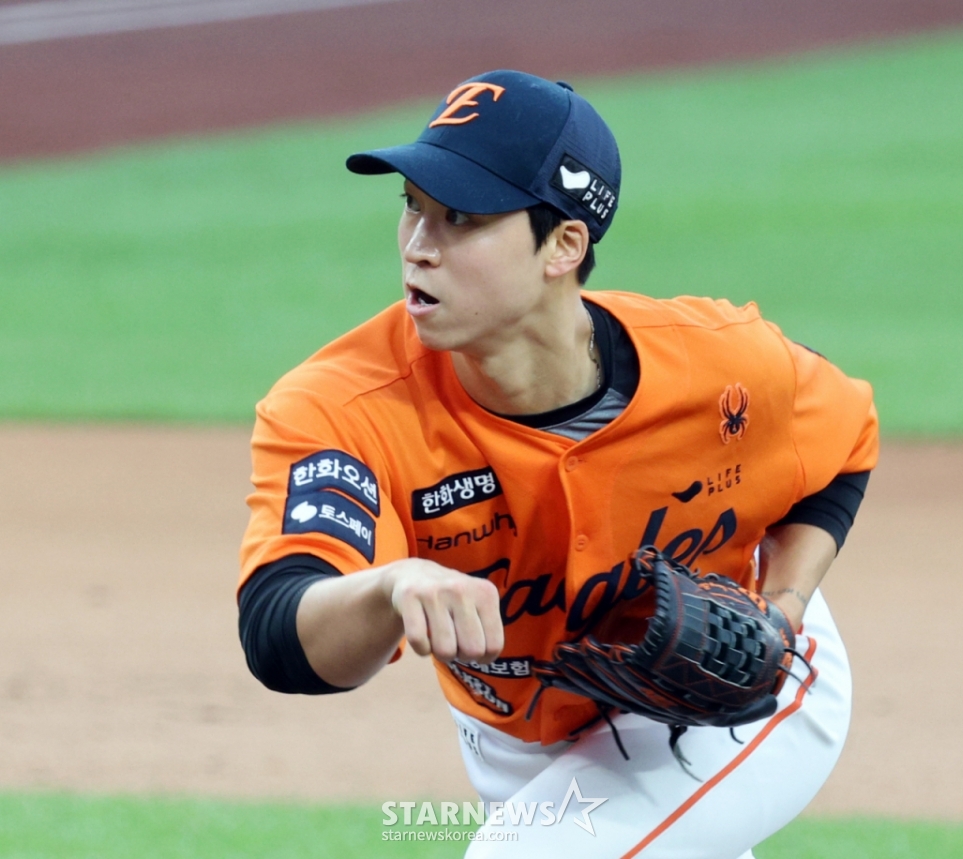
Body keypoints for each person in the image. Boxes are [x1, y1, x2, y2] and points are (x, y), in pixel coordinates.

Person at [238, 69, 878, 858]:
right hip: (518, 741)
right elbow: (277, 630)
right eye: (411, 205)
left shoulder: (721, 363)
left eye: (462, 217)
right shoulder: (341, 406)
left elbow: (848, 441)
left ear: (564, 244)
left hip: (749, 685)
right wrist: (387, 587)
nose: (418, 246)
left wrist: (783, 602)